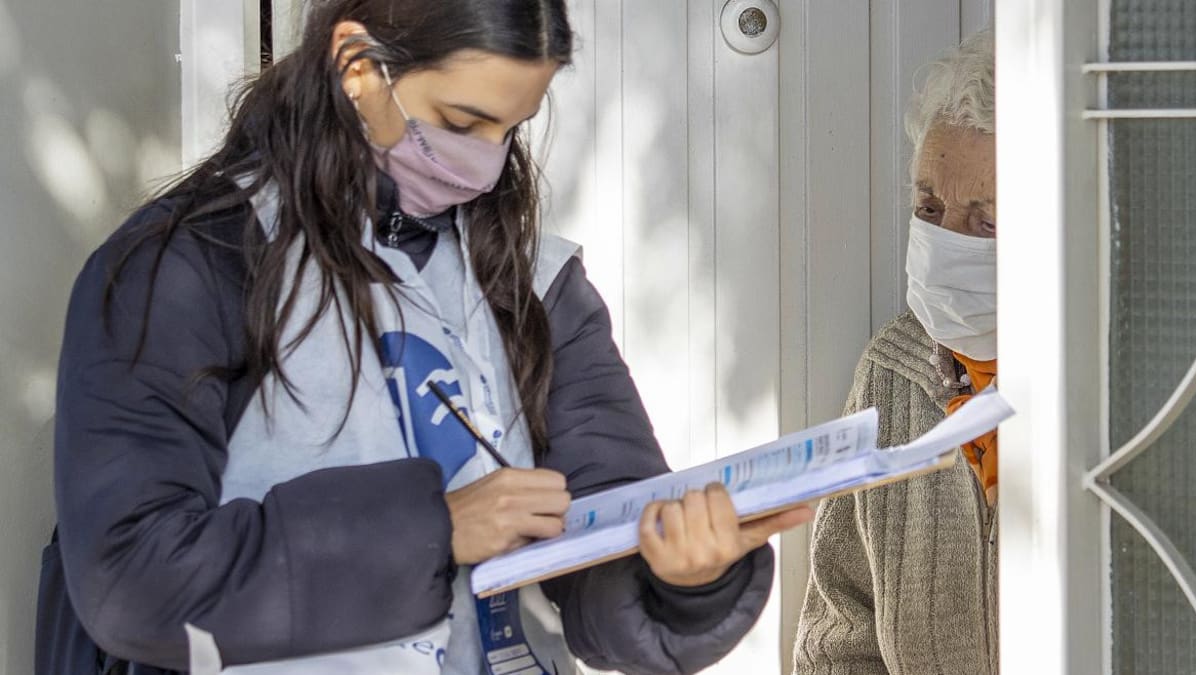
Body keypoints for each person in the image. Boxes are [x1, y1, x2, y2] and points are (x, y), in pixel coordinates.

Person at [38, 2, 813, 673]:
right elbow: (131, 576)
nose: (484, 165)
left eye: (512, 128)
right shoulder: (188, 265)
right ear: (357, 66)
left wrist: (687, 577)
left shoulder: (538, 283)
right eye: (460, 122)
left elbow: (599, 550)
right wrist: (435, 529)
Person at [792, 30, 998, 675]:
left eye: (987, 221)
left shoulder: (1133, 384)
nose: (945, 242)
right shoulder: (895, 367)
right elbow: (839, 638)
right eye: (929, 206)